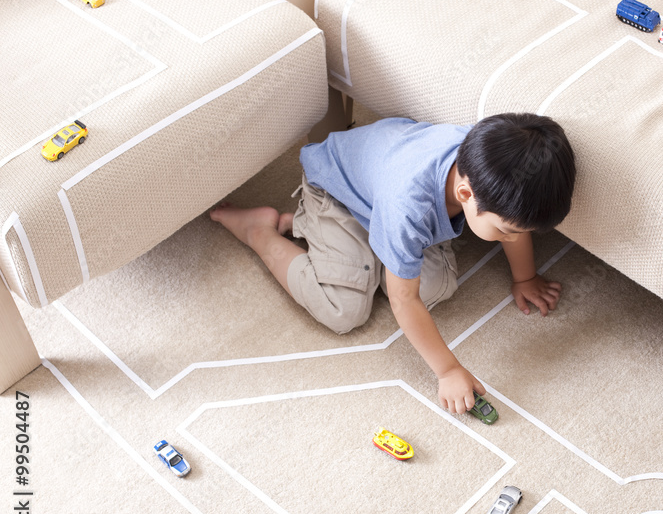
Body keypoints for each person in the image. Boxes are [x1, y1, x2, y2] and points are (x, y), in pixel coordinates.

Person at [210, 113, 576, 414]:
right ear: (466, 193)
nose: (513, 239)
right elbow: (403, 300)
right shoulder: (408, 205)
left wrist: (524, 277)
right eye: (507, 231)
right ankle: (261, 231)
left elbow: (513, 221)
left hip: (383, 199)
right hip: (339, 196)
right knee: (344, 310)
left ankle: (348, 243)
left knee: (436, 286)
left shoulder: (488, 163)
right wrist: (448, 370)